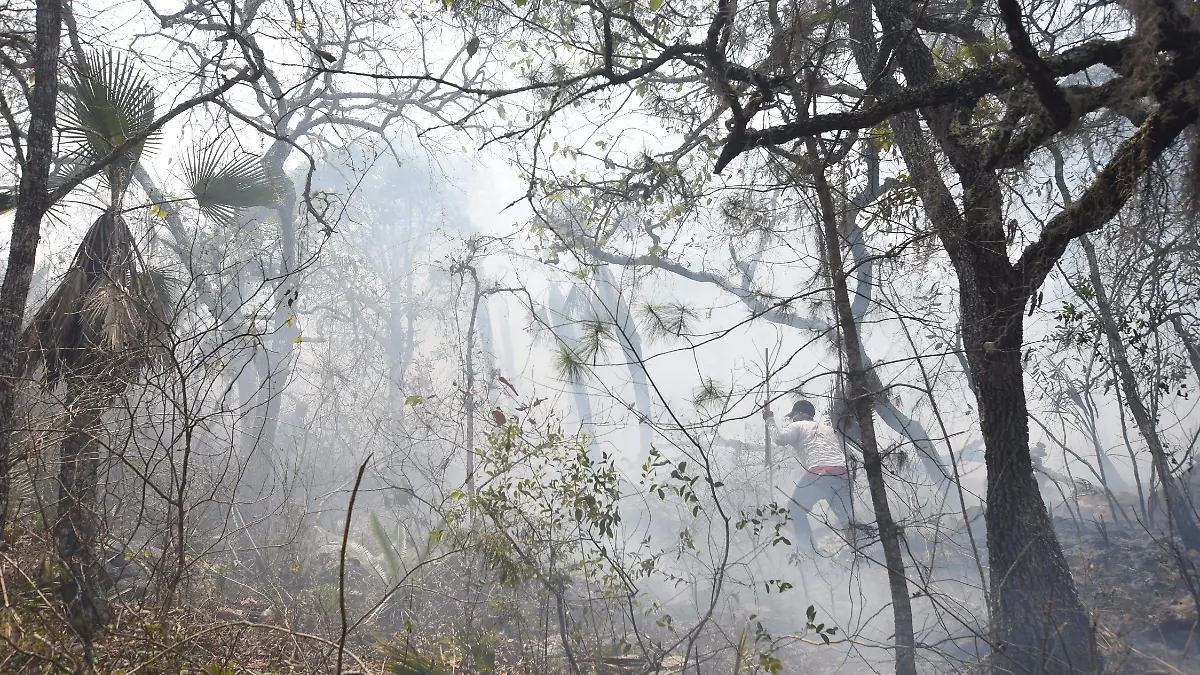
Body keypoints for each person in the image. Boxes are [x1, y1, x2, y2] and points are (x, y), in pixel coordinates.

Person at [763, 399, 855, 552]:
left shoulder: (797, 425)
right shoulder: (829, 430)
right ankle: (862, 550)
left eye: (792, 416)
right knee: (848, 519)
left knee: (794, 509)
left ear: (798, 414)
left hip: (819, 474)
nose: (792, 419)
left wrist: (769, 419)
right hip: (842, 475)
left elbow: (779, 439)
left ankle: (809, 553)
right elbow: (846, 455)